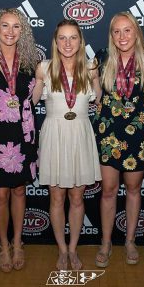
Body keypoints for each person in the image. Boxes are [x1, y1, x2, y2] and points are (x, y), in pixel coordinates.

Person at [33, 19, 101, 270]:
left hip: (80, 135)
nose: (68, 43)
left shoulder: (91, 68)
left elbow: (99, 98)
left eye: (73, 37)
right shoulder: (44, 68)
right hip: (55, 135)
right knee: (56, 197)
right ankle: (61, 250)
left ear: (81, 41)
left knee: (77, 196)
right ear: (55, 42)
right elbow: (31, 101)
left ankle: (73, 249)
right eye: (62, 37)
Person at [0, 8, 39, 272]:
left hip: (23, 133)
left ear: (23, 31)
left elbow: (34, 100)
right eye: (5, 26)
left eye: (16, 26)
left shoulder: (30, 61)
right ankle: (3, 245)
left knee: (20, 190)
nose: (10, 31)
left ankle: (18, 242)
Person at [92, 11, 144, 267]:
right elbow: (95, 96)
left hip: (139, 134)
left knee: (134, 190)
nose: (122, 36)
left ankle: (130, 241)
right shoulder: (102, 58)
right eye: (116, 31)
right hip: (109, 133)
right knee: (108, 190)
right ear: (111, 35)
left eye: (127, 30)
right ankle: (106, 242)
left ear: (136, 31)